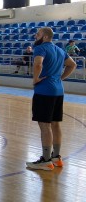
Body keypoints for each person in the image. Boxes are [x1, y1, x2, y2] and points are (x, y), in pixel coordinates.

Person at [26, 27, 77, 171]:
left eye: (38, 34)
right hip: (58, 91)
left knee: (45, 125)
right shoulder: (60, 50)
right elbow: (73, 65)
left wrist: (35, 79)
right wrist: (60, 78)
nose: (36, 36)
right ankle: (56, 157)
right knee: (55, 124)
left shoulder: (41, 48)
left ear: (46, 36)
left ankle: (46, 160)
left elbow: (37, 64)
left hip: (44, 91)